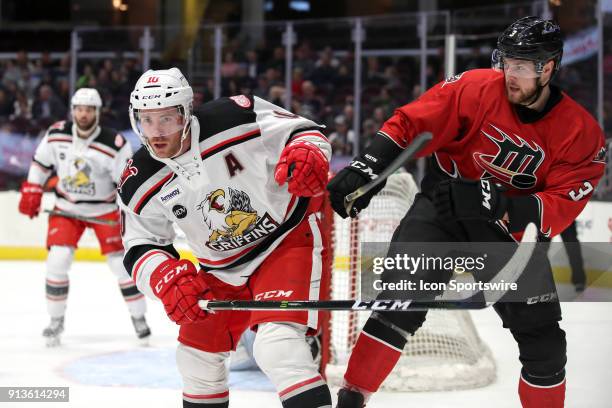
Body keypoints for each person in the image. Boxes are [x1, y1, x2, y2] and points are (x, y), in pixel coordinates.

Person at [327, 16, 606, 408]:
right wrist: (366, 166)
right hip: (440, 208)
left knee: (545, 343)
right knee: (397, 307)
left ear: (549, 68)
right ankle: (353, 397)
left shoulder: (580, 131)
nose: (511, 75)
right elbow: (410, 122)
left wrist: (506, 205)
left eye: (523, 66)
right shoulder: (474, 87)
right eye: (507, 62)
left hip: (506, 232)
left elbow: (564, 200)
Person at [118, 68, 332, 408]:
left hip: (285, 241)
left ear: (186, 113)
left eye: (167, 120)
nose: (156, 133)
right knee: (196, 359)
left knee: (278, 347)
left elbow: (303, 131)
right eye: (146, 120)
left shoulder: (235, 115)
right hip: (219, 270)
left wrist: (308, 152)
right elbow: (139, 244)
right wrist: (162, 276)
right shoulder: (138, 177)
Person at [18, 88, 151, 347]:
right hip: (67, 208)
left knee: (120, 266)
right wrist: (33, 187)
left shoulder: (114, 144)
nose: (84, 114)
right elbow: (41, 163)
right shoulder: (56, 134)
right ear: (72, 110)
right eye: (79, 108)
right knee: (58, 260)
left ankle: (139, 317)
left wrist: (128, 213)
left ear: (98, 113)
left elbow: (126, 184)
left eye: (89, 109)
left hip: (104, 210)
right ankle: (55, 321)